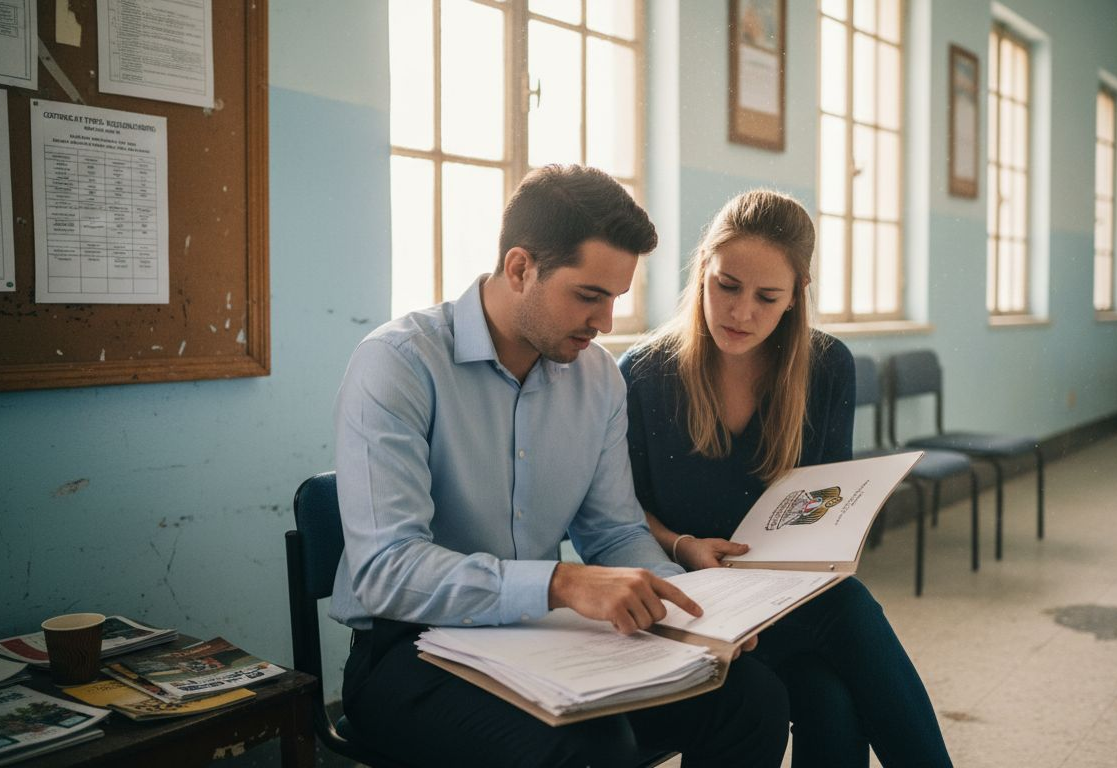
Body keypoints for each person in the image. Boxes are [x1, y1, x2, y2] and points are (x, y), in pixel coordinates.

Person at [331, 165, 790, 767]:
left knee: (751, 698)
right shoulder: (398, 364)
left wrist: (694, 615)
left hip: (542, 637)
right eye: (588, 296)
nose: (604, 323)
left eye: (616, 300)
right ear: (520, 268)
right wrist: (559, 583)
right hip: (408, 651)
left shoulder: (597, 378)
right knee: (587, 748)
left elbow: (615, 531)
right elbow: (387, 571)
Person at [619, 190, 954, 768]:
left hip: (782, 598)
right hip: (685, 598)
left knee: (831, 693)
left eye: (766, 297)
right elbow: (618, 508)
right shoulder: (645, 374)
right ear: (703, 271)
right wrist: (682, 545)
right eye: (727, 285)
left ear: (795, 298)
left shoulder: (826, 368)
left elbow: (829, 513)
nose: (741, 312)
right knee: (840, 652)